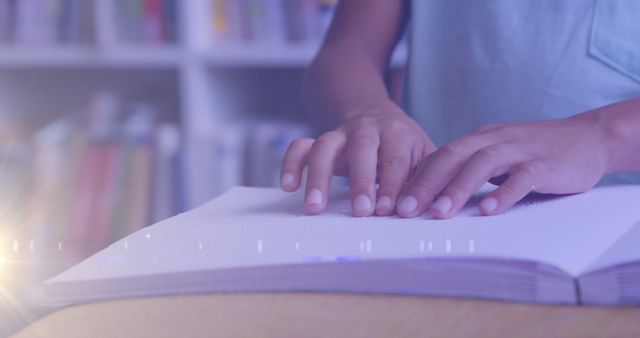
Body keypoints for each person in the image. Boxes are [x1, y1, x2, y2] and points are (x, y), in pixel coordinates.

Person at [279, 0, 640, 219]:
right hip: (433, 214)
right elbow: (346, 49)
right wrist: (363, 110)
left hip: (617, 226)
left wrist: (602, 137)